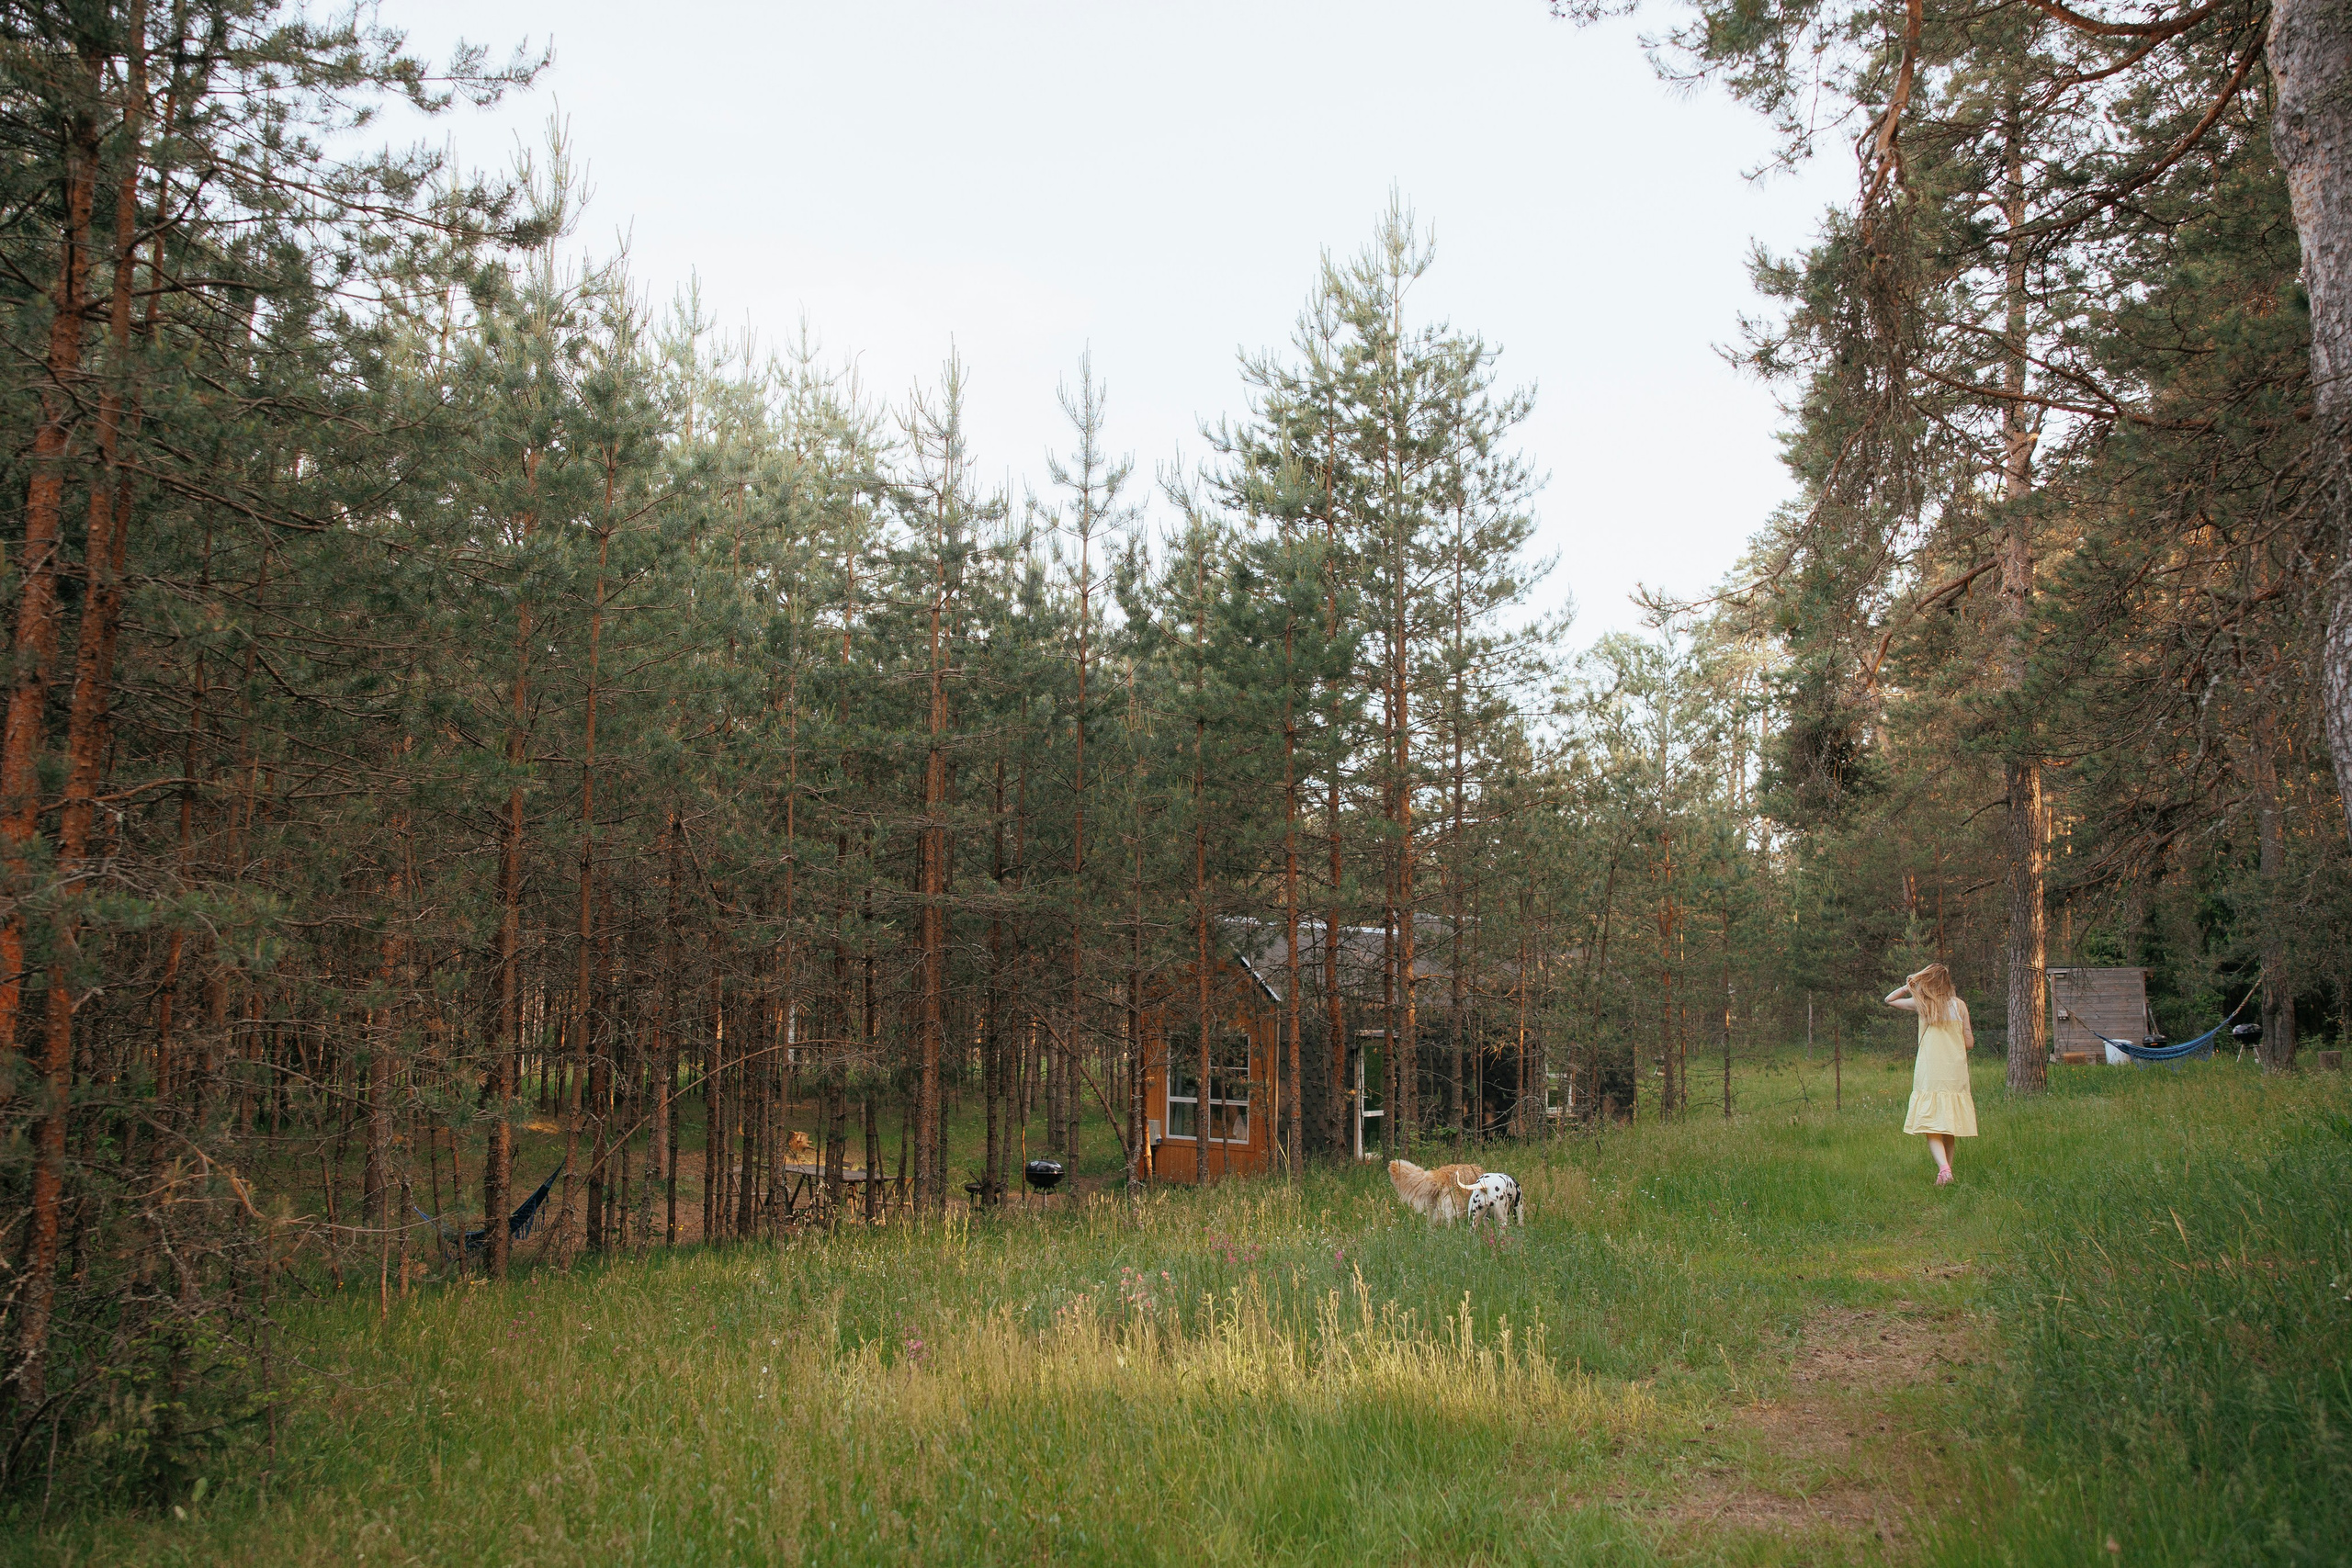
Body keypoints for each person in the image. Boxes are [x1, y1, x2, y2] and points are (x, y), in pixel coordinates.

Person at [1885, 964, 1977, 1185]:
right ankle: (1947, 1171)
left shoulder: (1923, 1004)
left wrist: (1909, 986)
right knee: (1949, 1124)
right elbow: (1969, 1043)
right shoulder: (1960, 1006)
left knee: (1931, 1122)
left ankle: (1944, 1169)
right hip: (1955, 1071)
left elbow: (1890, 999)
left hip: (1931, 1070)